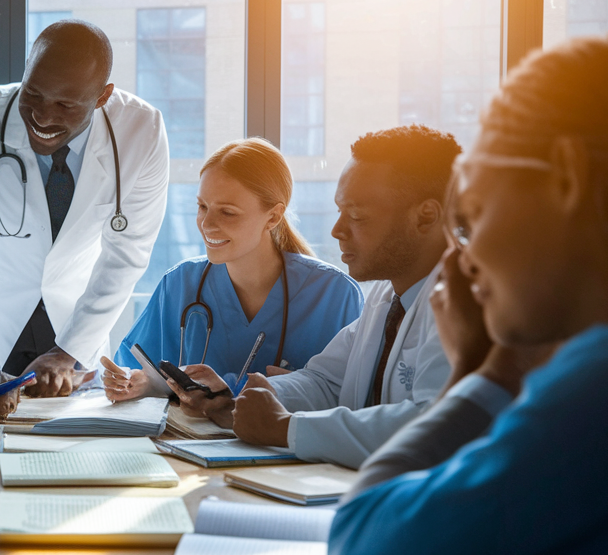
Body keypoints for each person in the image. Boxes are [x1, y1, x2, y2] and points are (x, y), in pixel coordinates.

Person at [329, 32, 608, 555]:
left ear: (567, 177)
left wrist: (484, 368)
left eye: (475, 215)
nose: (465, 258)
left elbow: (366, 549)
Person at [168, 125, 457, 468]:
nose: (337, 230)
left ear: (425, 217)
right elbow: (326, 380)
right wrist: (247, 401)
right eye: (338, 212)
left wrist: (285, 428)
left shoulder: (471, 302)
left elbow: (437, 424)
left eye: (357, 216)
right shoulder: (389, 296)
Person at [0, 19, 169, 419]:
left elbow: (126, 256)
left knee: (72, 455)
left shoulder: (141, 131)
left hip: (76, 328)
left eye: (65, 105)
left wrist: (69, 351)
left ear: (102, 97)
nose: (41, 115)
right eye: (34, 93)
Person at [101, 138, 362, 401]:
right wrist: (138, 383)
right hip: (180, 441)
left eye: (227, 212)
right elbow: (139, 367)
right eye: (202, 207)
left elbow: (352, 398)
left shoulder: (335, 295)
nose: (207, 224)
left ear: (273, 217)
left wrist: (235, 390)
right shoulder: (179, 285)